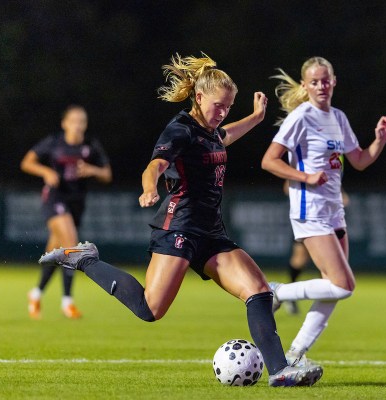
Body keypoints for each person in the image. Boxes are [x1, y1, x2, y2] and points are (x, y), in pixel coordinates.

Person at [38, 53, 323, 387]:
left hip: (212, 232)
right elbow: (155, 166)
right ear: (199, 98)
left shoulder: (211, 130)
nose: (223, 113)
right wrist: (149, 188)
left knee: (258, 290)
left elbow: (224, 137)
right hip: (180, 228)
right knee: (150, 309)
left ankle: (279, 370)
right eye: (219, 106)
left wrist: (256, 118)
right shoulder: (180, 129)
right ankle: (86, 260)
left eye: (228, 107)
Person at [261, 56, 386, 367]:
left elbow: (359, 160)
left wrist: (380, 140)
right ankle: (278, 292)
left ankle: (295, 354)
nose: (321, 86)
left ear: (334, 82)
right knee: (343, 285)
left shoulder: (338, 117)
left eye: (326, 80)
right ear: (305, 86)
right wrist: (305, 177)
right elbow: (269, 160)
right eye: (315, 81)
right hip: (311, 211)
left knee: (334, 289)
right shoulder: (301, 117)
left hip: (334, 212)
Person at [21, 104, 112, 319]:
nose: (78, 125)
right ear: (64, 123)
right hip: (55, 199)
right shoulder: (53, 142)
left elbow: (107, 174)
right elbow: (27, 162)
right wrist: (45, 171)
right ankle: (67, 301)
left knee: (57, 253)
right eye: (74, 121)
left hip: (76, 203)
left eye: (82, 121)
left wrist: (92, 170)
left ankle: (35, 294)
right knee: (72, 244)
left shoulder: (91, 146)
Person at [281, 179, 350, 316]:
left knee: (327, 265)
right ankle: (285, 294)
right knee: (299, 259)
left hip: (327, 222)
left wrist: (335, 199)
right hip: (308, 219)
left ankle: (321, 300)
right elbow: (287, 188)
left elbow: (344, 198)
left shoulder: (329, 169)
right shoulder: (304, 166)